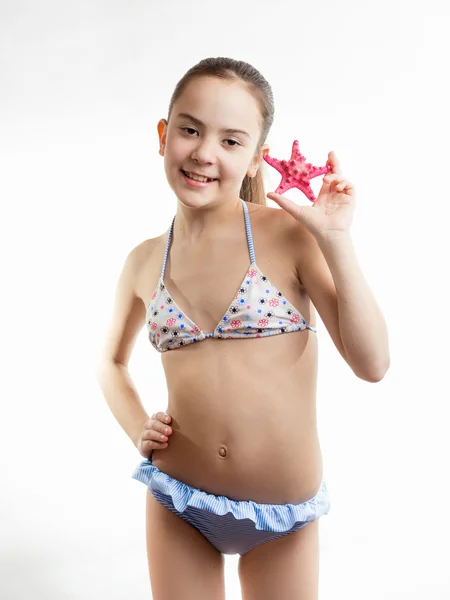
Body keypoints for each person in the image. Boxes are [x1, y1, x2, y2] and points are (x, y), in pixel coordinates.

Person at [97, 56, 390, 600]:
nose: (204, 153)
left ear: (256, 158)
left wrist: (337, 240)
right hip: (179, 501)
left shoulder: (289, 236)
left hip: (283, 518)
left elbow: (373, 365)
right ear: (164, 136)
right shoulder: (143, 262)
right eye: (189, 130)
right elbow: (110, 362)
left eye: (231, 141)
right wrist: (138, 426)